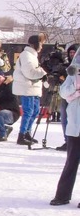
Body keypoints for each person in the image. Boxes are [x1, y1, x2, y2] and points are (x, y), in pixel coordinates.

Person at [51, 61, 80, 205]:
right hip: (75, 126)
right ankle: (62, 196)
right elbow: (63, 92)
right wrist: (76, 87)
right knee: (71, 162)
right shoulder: (74, 72)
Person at [13, 35, 47, 146]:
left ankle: (27, 133)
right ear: (35, 44)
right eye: (41, 44)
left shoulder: (32, 55)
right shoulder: (27, 55)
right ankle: (21, 135)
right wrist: (43, 71)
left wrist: (41, 73)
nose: (42, 46)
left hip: (33, 88)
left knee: (35, 111)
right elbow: (30, 73)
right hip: (27, 88)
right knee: (28, 111)